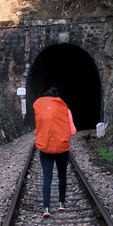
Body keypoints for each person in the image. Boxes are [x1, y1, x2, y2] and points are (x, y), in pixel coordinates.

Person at [33, 87, 76, 218]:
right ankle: (61, 203)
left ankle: (46, 207)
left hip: (45, 148)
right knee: (62, 175)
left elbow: (37, 131)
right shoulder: (65, 110)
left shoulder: (41, 110)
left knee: (47, 176)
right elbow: (73, 131)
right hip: (62, 148)